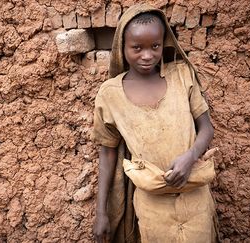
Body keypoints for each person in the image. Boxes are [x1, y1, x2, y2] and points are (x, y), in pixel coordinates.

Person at [92, 3, 219, 243]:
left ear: (164, 43)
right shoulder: (110, 94)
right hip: (152, 205)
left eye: (155, 46)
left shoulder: (182, 75)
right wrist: (101, 213)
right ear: (122, 46)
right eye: (137, 47)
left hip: (195, 198)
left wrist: (190, 156)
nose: (147, 55)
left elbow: (207, 127)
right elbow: (107, 153)